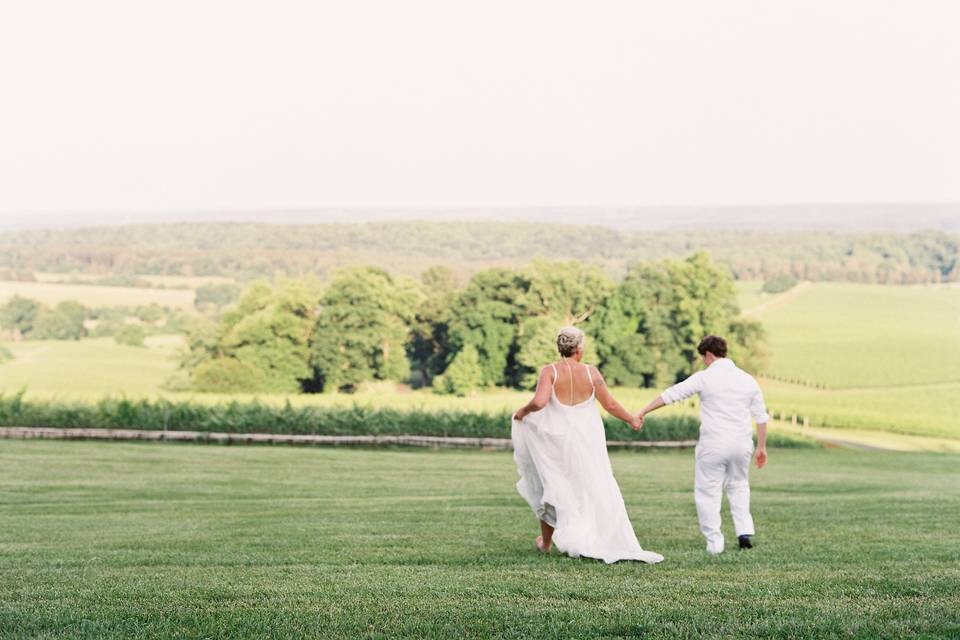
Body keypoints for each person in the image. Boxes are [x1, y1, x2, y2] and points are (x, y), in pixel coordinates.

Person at [511, 326, 664, 564]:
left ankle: (547, 543)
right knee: (593, 485)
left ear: (560, 347)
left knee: (552, 483)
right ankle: (595, 536)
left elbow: (540, 402)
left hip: (555, 440)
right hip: (587, 441)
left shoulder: (549, 371)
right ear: (579, 349)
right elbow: (610, 405)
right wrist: (632, 419)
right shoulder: (592, 374)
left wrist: (522, 412)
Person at [637, 335, 769, 554]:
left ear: (708, 354)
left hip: (713, 443)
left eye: (703, 358)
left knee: (708, 490)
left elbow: (672, 394)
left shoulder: (704, 378)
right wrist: (762, 447)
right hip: (741, 443)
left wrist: (643, 411)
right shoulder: (747, 380)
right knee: (739, 485)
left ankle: (715, 542)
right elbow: (761, 417)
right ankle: (744, 532)